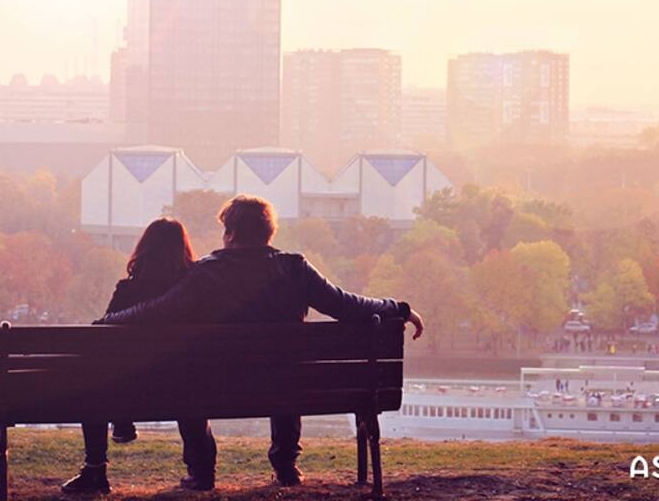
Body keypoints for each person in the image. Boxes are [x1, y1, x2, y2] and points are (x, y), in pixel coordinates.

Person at [99, 195, 425, 491]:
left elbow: (157, 312)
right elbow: (348, 306)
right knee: (285, 371)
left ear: (230, 232)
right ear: (268, 232)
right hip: (284, 386)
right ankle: (286, 465)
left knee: (190, 377)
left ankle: (202, 471)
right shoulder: (295, 269)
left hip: (215, 387)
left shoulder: (205, 274)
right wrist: (400, 309)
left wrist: (108, 322)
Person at [61, 218, 198, 495]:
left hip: (129, 391)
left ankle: (95, 470)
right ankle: (201, 471)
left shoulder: (128, 290)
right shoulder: (193, 291)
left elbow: (101, 334)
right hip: (185, 388)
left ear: (144, 248)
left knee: (93, 384)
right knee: (191, 385)